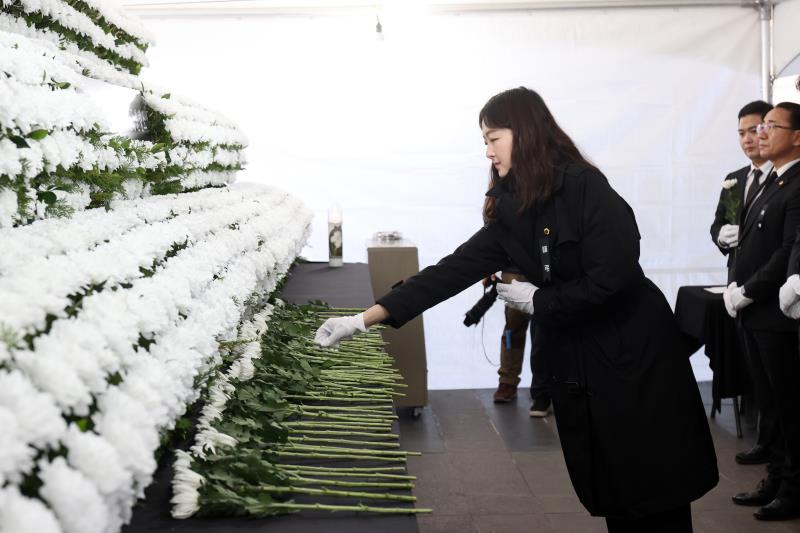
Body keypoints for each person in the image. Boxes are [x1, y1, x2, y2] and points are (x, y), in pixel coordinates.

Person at [315, 87, 718, 532]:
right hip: (583, 365)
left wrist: (540, 300)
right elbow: (451, 271)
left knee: (653, 490)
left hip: (632, 360)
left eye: (493, 138)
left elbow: (615, 275)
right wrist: (363, 320)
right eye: (485, 142)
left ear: (524, 133)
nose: (487, 152)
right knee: (617, 491)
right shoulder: (515, 207)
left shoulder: (584, 186)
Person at [730, 101, 800, 521]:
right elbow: (748, 242)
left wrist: (750, 290)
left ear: (796, 136)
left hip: (776, 311)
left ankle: (793, 486)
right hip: (756, 310)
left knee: (789, 405)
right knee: (770, 404)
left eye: (771, 126)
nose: (760, 134)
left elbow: (785, 250)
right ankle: (776, 476)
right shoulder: (770, 181)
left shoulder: (796, 183)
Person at [709, 100, 775, 467]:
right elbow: (718, 225)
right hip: (737, 289)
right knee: (756, 372)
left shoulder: (783, 179)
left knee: (778, 378)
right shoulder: (734, 180)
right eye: (741, 133)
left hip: (769, 289)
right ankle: (766, 442)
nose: (748, 139)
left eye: (754, 130)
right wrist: (722, 236)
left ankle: (777, 450)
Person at [487, 270, 552, 417]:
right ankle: (508, 380)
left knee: (541, 333)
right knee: (513, 328)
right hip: (513, 269)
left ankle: (542, 391)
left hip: (541, 270)